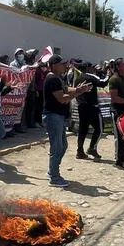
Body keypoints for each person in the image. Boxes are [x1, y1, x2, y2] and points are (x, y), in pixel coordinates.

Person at [42, 55, 92, 187]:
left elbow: (65, 88)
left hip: (58, 117)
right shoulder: (52, 79)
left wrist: (77, 89)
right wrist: (78, 93)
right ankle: (54, 177)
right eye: (62, 63)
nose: (65, 65)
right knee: (57, 148)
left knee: (62, 146)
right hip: (53, 117)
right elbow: (62, 98)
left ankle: (52, 171)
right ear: (54, 66)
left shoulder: (56, 78)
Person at [74, 62, 109, 159]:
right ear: (88, 68)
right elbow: (103, 83)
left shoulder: (78, 78)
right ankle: (92, 148)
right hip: (92, 107)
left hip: (82, 106)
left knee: (83, 129)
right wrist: (108, 74)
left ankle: (79, 151)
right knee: (100, 128)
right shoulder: (91, 76)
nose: (94, 69)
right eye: (92, 67)